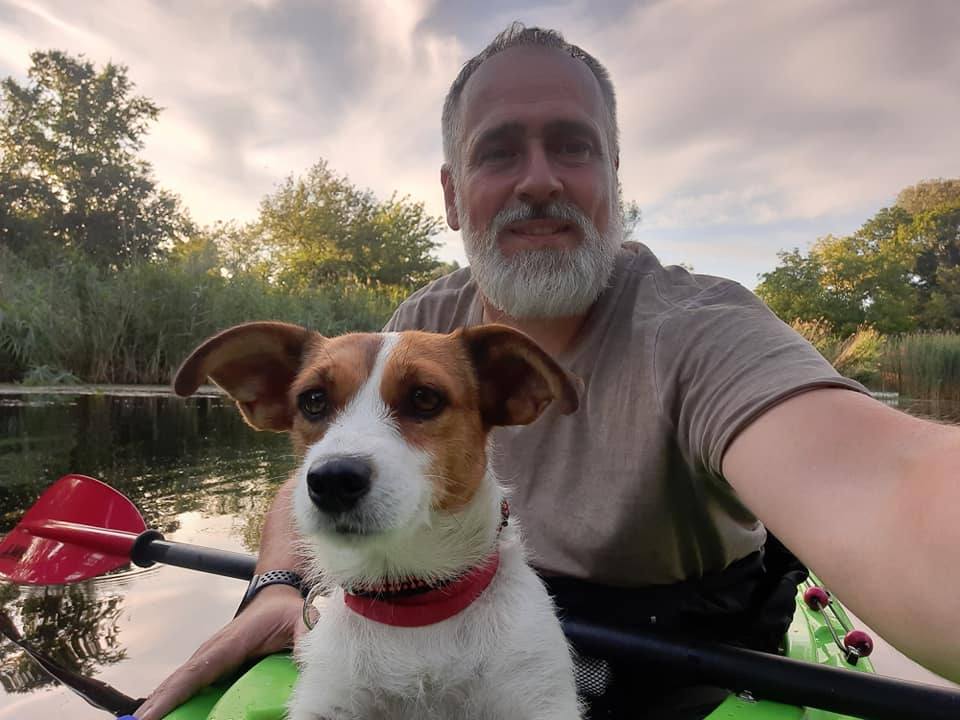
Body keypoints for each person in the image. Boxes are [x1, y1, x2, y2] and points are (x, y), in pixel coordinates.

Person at [136, 23, 960, 720]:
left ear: (612, 184)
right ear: (455, 197)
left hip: (673, 673)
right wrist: (281, 582)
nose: (538, 179)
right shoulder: (417, 327)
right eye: (499, 152)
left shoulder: (704, 331)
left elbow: (892, 483)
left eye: (573, 146)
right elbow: (332, 461)